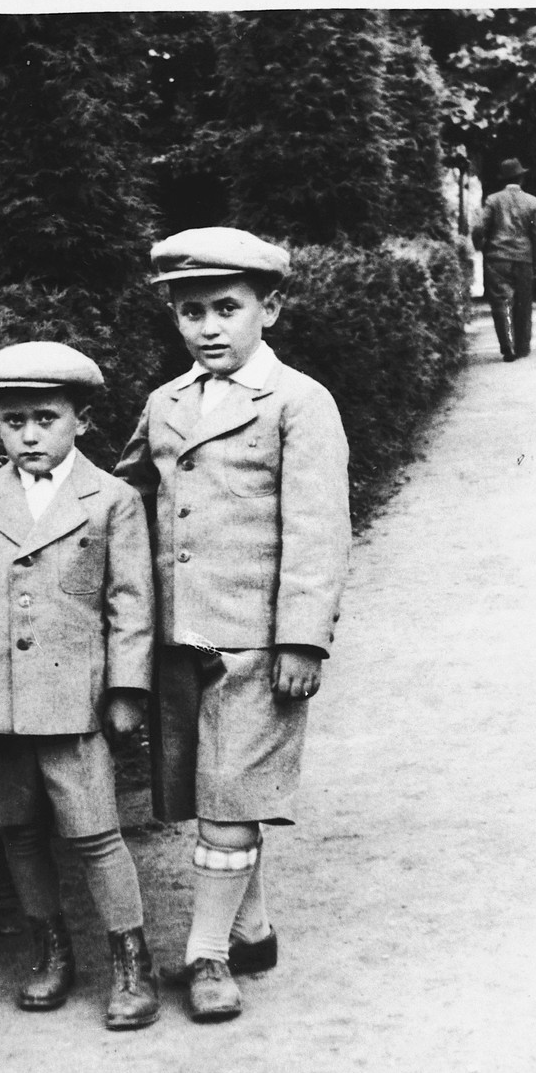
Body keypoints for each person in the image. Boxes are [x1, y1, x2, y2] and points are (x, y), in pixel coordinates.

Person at [113, 227, 351, 1021]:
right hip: (182, 632)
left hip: (256, 639)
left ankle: (207, 956)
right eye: (190, 311)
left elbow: (318, 528)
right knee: (212, 793)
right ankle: (250, 929)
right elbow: (123, 491)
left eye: (227, 307)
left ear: (268, 308)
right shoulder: (165, 402)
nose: (209, 327)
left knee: (225, 800)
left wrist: (301, 636)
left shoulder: (298, 401)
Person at [0, 340, 160, 1031]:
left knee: (94, 832)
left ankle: (131, 963)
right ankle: (51, 952)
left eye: (45, 418)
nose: (28, 434)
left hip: (73, 700)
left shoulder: (110, 499)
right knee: (18, 832)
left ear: (81, 419)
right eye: (11, 420)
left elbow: (131, 604)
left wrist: (125, 691)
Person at [474, 157, 536, 362]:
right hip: (523, 259)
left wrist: (481, 246)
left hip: (497, 259)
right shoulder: (533, 202)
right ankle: (522, 347)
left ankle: (508, 348)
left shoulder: (493, 200)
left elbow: (479, 228)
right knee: (523, 303)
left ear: (503, 179)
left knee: (501, 302)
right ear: (521, 178)